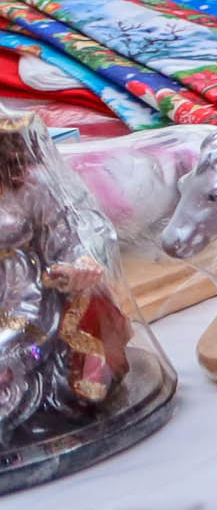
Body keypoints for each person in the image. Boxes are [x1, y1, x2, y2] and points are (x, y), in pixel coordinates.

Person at [0, 115, 132, 439]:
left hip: (24, 292)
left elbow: (71, 230)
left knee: (11, 348)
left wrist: (79, 264)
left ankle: (24, 409)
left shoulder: (32, 186)